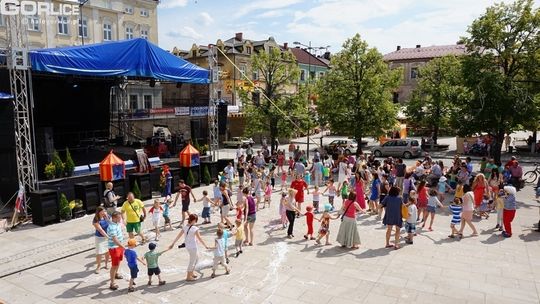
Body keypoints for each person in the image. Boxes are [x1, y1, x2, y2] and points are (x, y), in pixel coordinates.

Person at [168, 214, 209, 281]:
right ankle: (188, 277)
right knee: (192, 261)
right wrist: (205, 246)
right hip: (193, 247)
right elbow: (200, 238)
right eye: (195, 220)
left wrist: (173, 243)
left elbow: (178, 236)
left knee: (196, 259)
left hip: (188, 246)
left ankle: (191, 273)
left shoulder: (184, 227)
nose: (196, 222)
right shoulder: (195, 228)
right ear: (193, 220)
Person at [107, 211, 125, 291]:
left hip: (119, 246)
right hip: (114, 248)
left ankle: (116, 274)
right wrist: (122, 246)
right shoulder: (112, 227)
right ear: (114, 218)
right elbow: (114, 240)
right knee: (114, 265)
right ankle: (112, 283)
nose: (120, 219)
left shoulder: (117, 223)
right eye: (119, 218)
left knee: (118, 262)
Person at [92, 207, 110, 274]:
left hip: (108, 236)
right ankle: (98, 266)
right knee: (99, 252)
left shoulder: (107, 216)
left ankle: (106, 263)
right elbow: (100, 230)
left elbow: (111, 224)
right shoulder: (96, 220)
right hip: (99, 238)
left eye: (105, 211)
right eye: (102, 211)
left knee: (107, 251)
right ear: (99, 212)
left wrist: (107, 218)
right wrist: (108, 237)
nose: (104, 212)